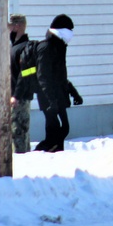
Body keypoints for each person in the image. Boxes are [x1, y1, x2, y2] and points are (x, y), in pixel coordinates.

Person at [35, 14, 83, 152]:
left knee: (64, 128)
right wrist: (51, 101)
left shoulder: (59, 47)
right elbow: (43, 77)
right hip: (48, 97)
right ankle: (43, 153)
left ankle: (52, 152)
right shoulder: (46, 48)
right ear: (61, 30)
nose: (72, 34)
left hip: (58, 96)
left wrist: (74, 93)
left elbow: (60, 76)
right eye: (70, 30)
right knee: (54, 129)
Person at [8, 14, 32, 154]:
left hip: (20, 98)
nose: (8, 29)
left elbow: (25, 75)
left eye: (10, 26)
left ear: (17, 26)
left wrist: (16, 96)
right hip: (16, 96)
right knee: (17, 132)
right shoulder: (15, 47)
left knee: (19, 133)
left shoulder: (24, 48)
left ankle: (22, 163)